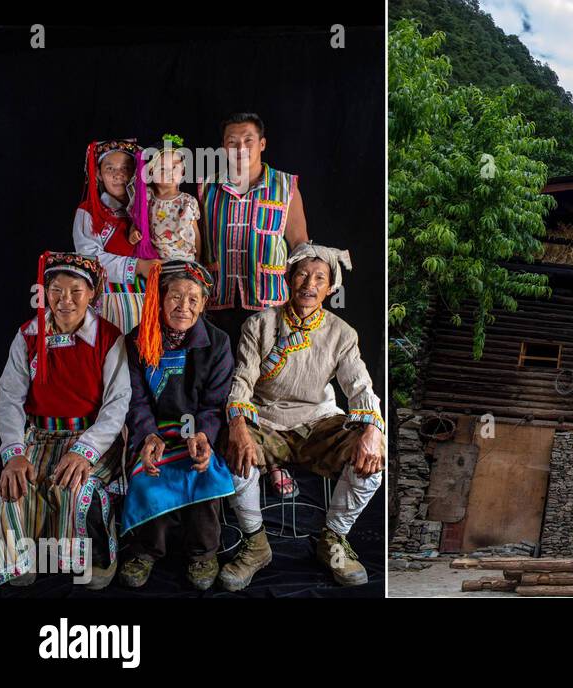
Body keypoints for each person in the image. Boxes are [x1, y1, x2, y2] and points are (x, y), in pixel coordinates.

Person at [220, 243, 383, 590]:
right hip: (266, 421)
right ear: (289, 279)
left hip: (318, 423)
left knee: (372, 459)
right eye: (302, 275)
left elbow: (359, 386)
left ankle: (333, 541)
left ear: (330, 288)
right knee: (234, 454)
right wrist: (237, 425)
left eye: (320, 278)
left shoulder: (342, 334)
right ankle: (256, 545)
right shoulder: (260, 325)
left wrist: (372, 429)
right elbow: (243, 380)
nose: (309, 284)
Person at [0, 252, 130, 589]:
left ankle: (96, 558)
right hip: (38, 435)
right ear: (45, 291)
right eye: (56, 290)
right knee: (16, 484)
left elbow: (116, 404)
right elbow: (9, 398)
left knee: (77, 486)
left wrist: (84, 452)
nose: (64, 300)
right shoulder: (28, 335)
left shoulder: (109, 339)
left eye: (75, 291)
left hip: (89, 437)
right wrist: (15, 453)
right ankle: (20, 558)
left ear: (92, 294)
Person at [198, 113, 309, 497]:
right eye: (231, 140)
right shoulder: (206, 187)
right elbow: (194, 246)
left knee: (268, 385)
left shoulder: (285, 186)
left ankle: (271, 464)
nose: (239, 147)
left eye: (248, 139)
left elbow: (300, 246)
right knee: (221, 383)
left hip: (268, 305)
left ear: (262, 144)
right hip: (217, 303)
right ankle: (221, 464)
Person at [119, 260, 235, 590]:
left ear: (204, 303)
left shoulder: (218, 343)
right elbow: (136, 399)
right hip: (153, 431)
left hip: (196, 431)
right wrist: (146, 437)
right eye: (176, 297)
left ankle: (202, 553)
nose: (184, 307)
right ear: (160, 297)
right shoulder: (137, 341)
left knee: (203, 469)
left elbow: (214, 403)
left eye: (193, 299)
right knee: (148, 473)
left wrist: (203, 435)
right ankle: (145, 550)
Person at [73, 139, 160, 334]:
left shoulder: (152, 208)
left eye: (126, 168)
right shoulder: (89, 212)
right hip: (112, 302)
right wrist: (138, 266)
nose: (119, 174)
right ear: (98, 174)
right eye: (110, 168)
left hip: (151, 299)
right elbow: (90, 260)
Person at [140, 134, 202, 262]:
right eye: (162, 168)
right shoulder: (147, 196)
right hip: (155, 262)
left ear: (183, 171)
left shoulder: (188, 201)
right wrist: (132, 233)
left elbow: (195, 232)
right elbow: (137, 219)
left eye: (175, 167)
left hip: (185, 260)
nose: (170, 172)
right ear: (151, 172)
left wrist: (198, 257)